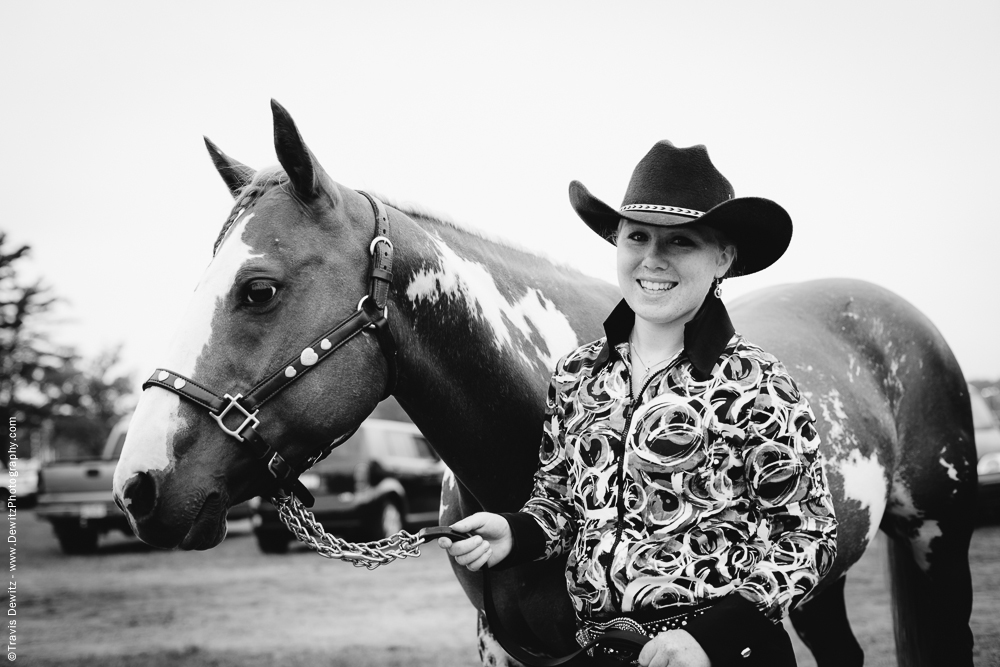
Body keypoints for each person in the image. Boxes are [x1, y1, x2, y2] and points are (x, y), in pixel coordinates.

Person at [439, 141, 838, 667]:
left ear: (723, 257)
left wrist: (710, 639)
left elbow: (809, 533)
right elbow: (559, 502)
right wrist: (514, 531)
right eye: (638, 236)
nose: (653, 258)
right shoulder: (577, 374)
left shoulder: (757, 380)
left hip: (722, 656)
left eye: (681, 241)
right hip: (599, 651)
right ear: (617, 242)